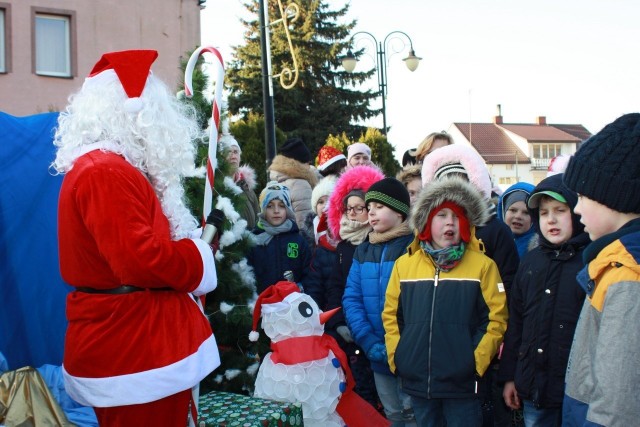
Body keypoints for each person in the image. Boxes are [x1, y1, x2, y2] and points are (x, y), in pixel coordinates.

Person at [51, 49, 221, 426]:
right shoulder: (105, 172)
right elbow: (139, 260)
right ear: (137, 112)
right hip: (134, 350)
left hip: (139, 345)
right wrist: (197, 259)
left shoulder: (112, 168)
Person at [383, 177, 508, 427]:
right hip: (418, 381)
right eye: (442, 215)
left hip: (461, 384)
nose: (450, 222)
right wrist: (399, 358)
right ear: (427, 221)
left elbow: (496, 319)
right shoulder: (404, 266)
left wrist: (474, 362)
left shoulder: (483, 266)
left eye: (457, 216)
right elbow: (392, 317)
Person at [421, 144, 519, 426]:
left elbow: (509, 282)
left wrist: (495, 338)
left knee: (480, 408)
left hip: (481, 335)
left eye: (461, 186)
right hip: (439, 340)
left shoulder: (494, 229)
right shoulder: (430, 233)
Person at [561, 113, 640, 426]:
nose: (577, 208)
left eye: (582, 196)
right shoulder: (612, 263)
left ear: (614, 197)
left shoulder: (627, 274)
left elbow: (617, 404)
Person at [498, 173, 589, 426]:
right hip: (533, 386)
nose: (551, 219)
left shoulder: (590, 262)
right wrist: (509, 377)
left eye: (560, 210)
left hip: (577, 391)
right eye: (544, 212)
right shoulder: (530, 261)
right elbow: (516, 324)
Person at [343, 177, 415, 426]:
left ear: (399, 212)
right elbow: (352, 298)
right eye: (369, 207)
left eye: (379, 207)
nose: (371, 212)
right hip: (375, 350)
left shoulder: (415, 248)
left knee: (413, 412)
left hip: (409, 352)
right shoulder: (363, 251)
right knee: (392, 412)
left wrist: (405, 343)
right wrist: (367, 340)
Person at [325, 165, 385, 410]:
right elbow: (335, 287)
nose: (353, 214)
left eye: (359, 208)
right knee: (360, 391)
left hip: (378, 325)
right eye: (349, 209)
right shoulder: (343, 246)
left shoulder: (379, 240)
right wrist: (338, 321)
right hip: (350, 328)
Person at [247, 181, 312, 294]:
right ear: (263, 210)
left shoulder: (298, 240)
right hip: (262, 303)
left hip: (292, 303)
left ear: (288, 209)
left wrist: (300, 288)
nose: (276, 211)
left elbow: (309, 274)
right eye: (270, 206)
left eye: (282, 206)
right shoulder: (253, 241)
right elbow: (247, 276)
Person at [268, 137, 318, 229]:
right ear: (301, 163)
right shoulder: (300, 184)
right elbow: (305, 222)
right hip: (299, 240)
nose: (310, 166)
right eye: (307, 162)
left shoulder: (276, 180)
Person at [220, 131, 259, 229]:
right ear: (221, 157)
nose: (233, 156)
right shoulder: (215, 187)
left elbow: (258, 219)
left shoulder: (247, 187)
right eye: (228, 152)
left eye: (236, 152)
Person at [497, 182, 536, 259]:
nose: (518, 216)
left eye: (526, 213)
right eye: (513, 210)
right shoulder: (492, 241)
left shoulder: (538, 251)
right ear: (503, 212)